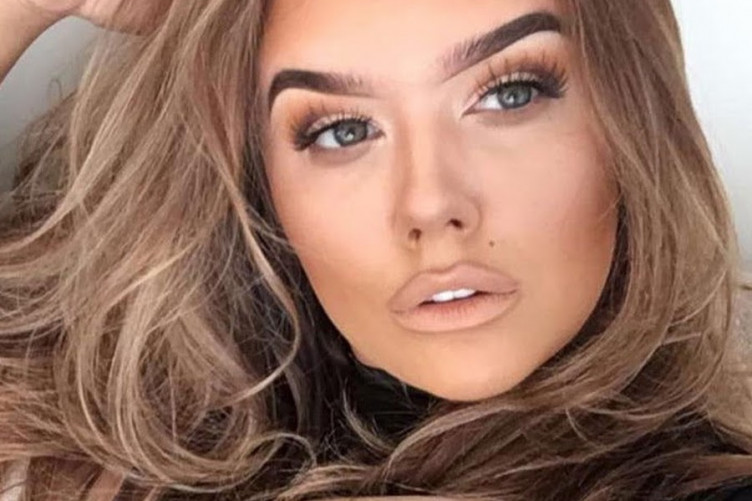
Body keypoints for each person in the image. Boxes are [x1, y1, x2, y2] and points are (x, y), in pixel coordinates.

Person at [1, 0, 752, 499]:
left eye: (510, 93)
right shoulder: (97, 454)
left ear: (632, 116)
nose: (429, 204)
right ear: (260, 188)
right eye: (343, 131)